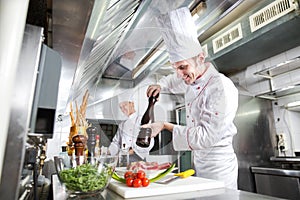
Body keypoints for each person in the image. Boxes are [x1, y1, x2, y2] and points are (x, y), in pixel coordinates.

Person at [142, 7, 239, 189]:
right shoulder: (191, 78)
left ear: (201, 58)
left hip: (219, 166)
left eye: (183, 67)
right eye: (175, 68)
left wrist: (164, 125)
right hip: (199, 161)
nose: (179, 75)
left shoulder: (221, 87)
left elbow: (206, 137)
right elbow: (172, 81)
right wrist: (160, 85)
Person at [109, 91, 155, 164]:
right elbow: (116, 142)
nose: (123, 109)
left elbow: (150, 143)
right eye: (121, 107)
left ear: (132, 104)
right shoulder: (122, 124)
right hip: (123, 159)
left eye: (124, 105)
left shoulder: (142, 120)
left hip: (138, 159)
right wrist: (109, 151)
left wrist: (133, 150)